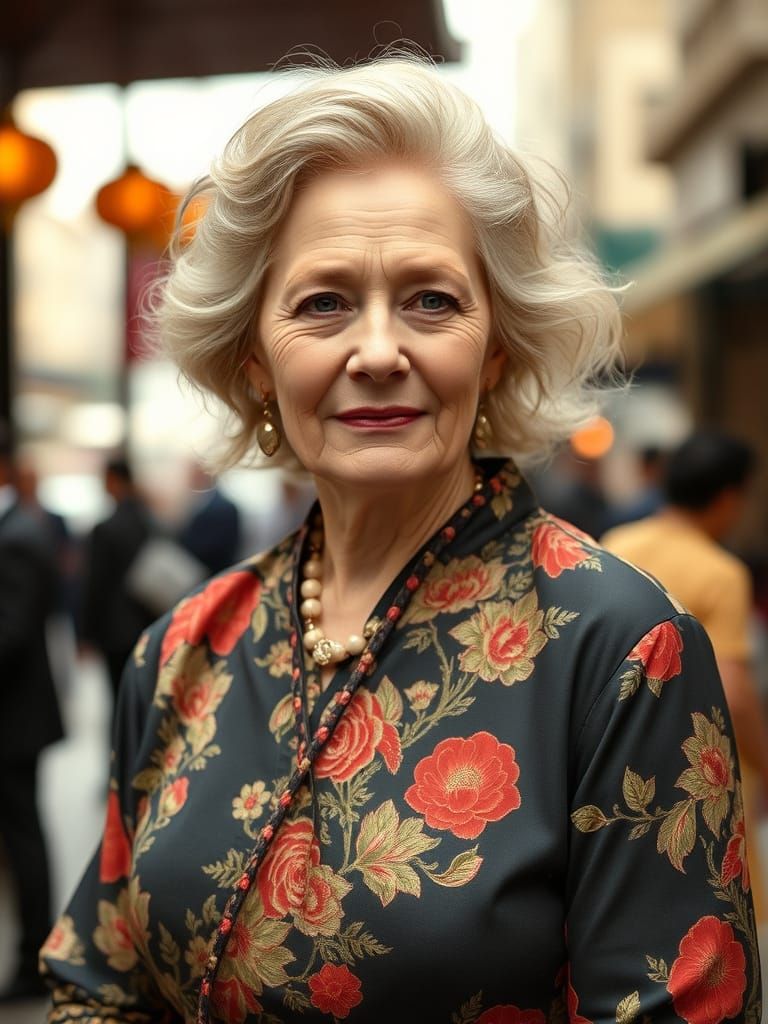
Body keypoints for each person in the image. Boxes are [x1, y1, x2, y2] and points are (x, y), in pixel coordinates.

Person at [42, 58, 762, 1023]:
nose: (379, 352)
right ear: (254, 358)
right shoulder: (183, 649)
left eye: (432, 300)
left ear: (495, 346)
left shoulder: (624, 647)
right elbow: (97, 983)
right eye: (322, 303)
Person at [603, 429, 768, 920]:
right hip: (697, 770)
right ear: (729, 497)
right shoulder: (722, 573)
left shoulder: (616, 544)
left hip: (618, 752)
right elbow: (735, 694)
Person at [0, 427, 63, 1001]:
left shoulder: (18, 533)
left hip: (14, 720)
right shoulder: (18, 527)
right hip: (16, 716)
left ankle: (33, 957)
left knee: (23, 837)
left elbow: (12, 634)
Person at [79, 456, 156, 701]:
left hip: (114, 629)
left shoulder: (106, 529)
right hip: (149, 622)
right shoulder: (149, 521)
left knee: (120, 697)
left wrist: (85, 634)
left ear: (113, 480)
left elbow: (96, 585)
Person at [177, 461, 242, 575]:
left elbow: (215, 547)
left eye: (193, 473)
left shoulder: (223, 507)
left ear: (205, 474)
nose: (189, 478)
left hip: (213, 574)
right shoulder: (197, 501)